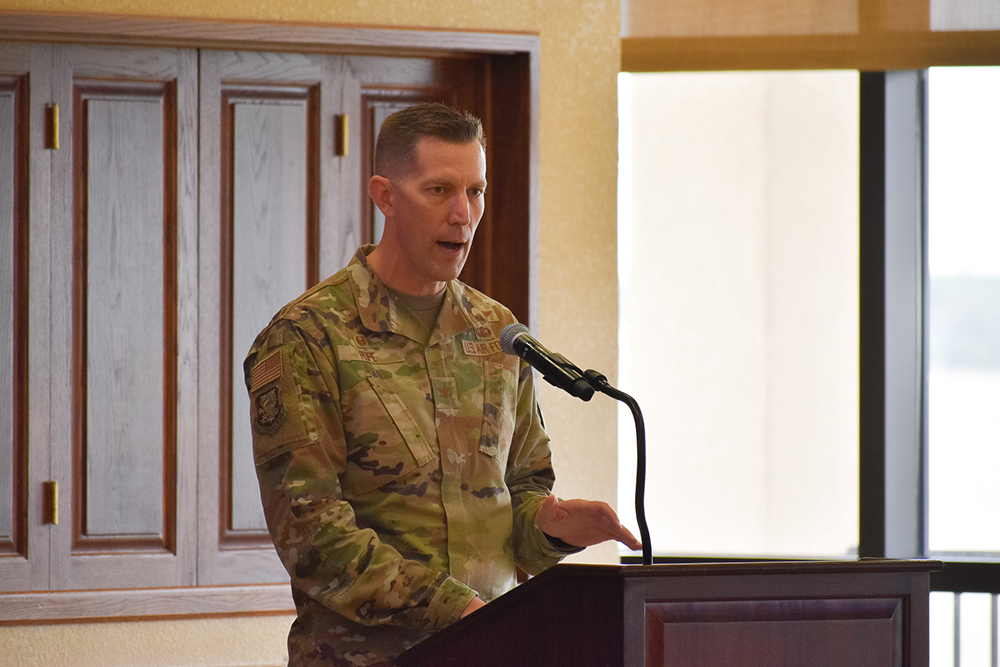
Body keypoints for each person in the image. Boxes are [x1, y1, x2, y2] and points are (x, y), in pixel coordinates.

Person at [244, 102, 640, 667]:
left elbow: (522, 491)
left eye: (476, 191)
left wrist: (553, 528)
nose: (463, 214)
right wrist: (455, 608)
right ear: (384, 196)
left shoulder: (498, 332)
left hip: (490, 650)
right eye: (439, 191)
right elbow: (312, 536)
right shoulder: (308, 336)